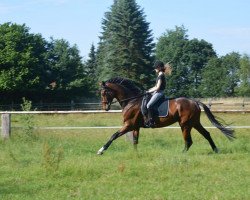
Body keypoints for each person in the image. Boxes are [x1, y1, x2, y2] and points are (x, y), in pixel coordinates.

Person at [145, 60, 171, 128]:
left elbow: (157, 87)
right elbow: (155, 86)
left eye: (156, 68)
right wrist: (148, 90)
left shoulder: (161, 76)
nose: (155, 69)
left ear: (159, 68)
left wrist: (149, 92)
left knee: (148, 105)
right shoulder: (160, 75)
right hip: (157, 92)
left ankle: (151, 121)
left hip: (159, 93)